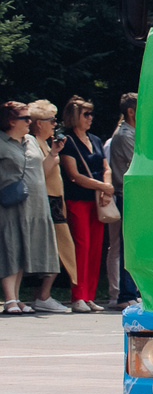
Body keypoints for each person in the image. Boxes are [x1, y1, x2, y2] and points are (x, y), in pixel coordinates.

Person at [56, 96, 109, 312]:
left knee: (96, 248)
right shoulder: (67, 141)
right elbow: (74, 175)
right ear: (74, 116)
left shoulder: (95, 139)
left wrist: (106, 186)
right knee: (81, 246)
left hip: (98, 200)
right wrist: (103, 187)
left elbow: (106, 167)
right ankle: (77, 295)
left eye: (91, 114)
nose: (90, 118)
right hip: (77, 199)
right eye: (86, 114)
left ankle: (89, 296)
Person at [0, 103, 53, 315]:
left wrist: (54, 153)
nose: (30, 122)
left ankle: (16, 297)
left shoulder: (31, 140)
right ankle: (10, 299)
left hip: (34, 205)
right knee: (10, 247)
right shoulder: (1, 143)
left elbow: (40, 171)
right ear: (11, 121)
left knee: (22, 249)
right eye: (25, 118)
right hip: (9, 205)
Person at [23, 101, 67, 314]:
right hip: (45, 201)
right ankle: (43, 296)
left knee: (56, 248)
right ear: (39, 123)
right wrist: (53, 154)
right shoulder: (32, 142)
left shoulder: (44, 143)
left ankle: (40, 295)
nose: (55, 124)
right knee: (58, 249)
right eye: (51, 120)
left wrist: (54, 151)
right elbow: (39, 173)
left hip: (54, 199)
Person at [104, 93, 137, 306]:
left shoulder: (133, 132)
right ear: (131, 112)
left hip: (133, 196)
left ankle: (131, 291)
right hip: (127, 196)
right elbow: (138, 162)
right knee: (128, 246)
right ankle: (125, 294)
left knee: (133, 245)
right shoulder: (125, 135)